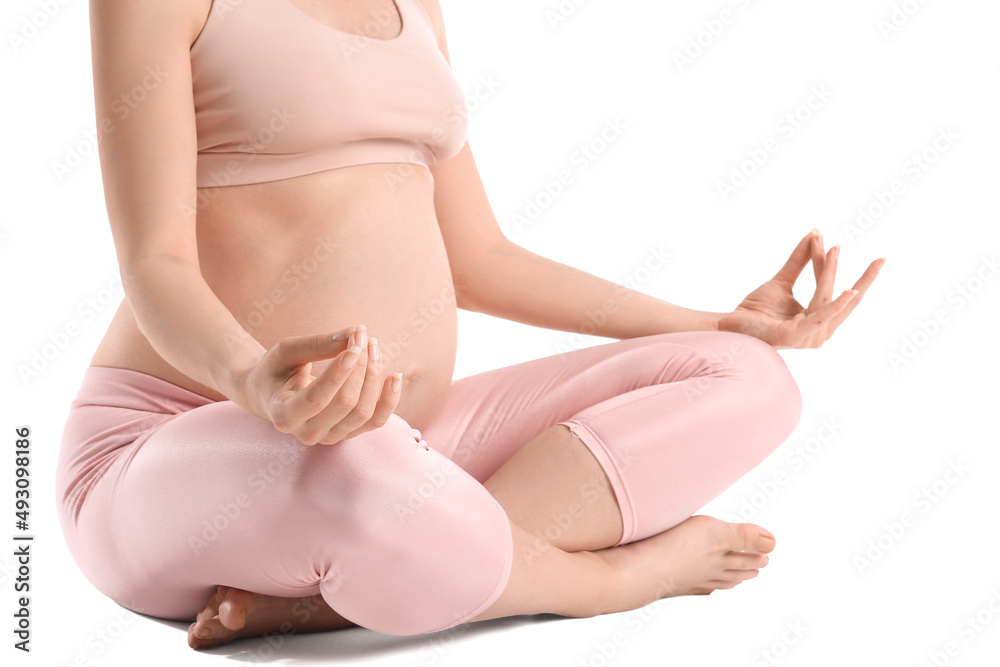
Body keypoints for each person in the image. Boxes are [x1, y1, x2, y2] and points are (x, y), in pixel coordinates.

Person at [56, 0, 885, 651]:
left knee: (749, 378)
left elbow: (479, 259)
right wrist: (252, 380)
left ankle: (336, 596)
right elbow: (154, 265)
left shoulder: (412, 6)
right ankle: (604, 580)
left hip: (391, 447)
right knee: (358, 465)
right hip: (168, 446)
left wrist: (717, 321)